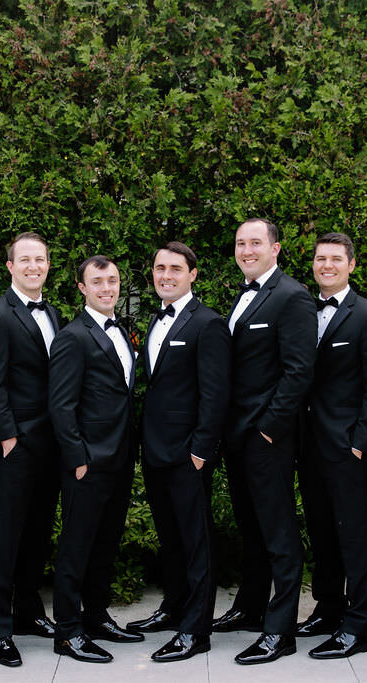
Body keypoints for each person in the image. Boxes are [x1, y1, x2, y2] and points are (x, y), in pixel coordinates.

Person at [216, 218, 316, 665]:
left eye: (256, 242)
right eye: (241, 243)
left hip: (267, 437)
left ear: (276, 248)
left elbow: (298, 372)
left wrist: (268, 429)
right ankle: (250, 608)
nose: (247, 249)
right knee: (252, 529)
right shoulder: (244, 293)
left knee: (278, 533)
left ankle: (281, 630)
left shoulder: (292, 297)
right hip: (237, 437)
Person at [129, 242, 231, 662]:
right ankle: (172, 608)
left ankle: (196, 630)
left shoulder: (207, 324)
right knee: (169, 539)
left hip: (189, 454)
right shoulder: (154, 319)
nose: (165, 275)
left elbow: (216, 392)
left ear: (193, 274)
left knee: (195, 543)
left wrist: (201, 451)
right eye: (159, 268)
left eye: (174, 269)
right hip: (155, 452)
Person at [299, 231, 367, 660]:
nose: (327, 265)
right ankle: (328, 607)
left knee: (354, 536)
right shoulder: (303, 310)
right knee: (321, 531)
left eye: (336, 259)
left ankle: (359, 624)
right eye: (321, 259)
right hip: (310, 444)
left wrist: (360, 442)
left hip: (349, 447)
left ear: (351, 265)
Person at [48, 255, 144, 663]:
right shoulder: (73, 336)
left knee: (105, 544)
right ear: (82, 288)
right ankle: (68, 631)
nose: (107, 288)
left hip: (120, 459)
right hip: (88, 460)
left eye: (113, 281)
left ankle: (98, 616)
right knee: (77, 546)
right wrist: (78, 458)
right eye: (98, 282)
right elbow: (61, 405)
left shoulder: (121, 329)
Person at [0, 232, 63, 667]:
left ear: (48, 265)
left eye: (40, 259)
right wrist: (8, 437)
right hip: (15, 444)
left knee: (37, 533)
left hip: (52, 444)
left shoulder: (55, 312)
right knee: (6, 536)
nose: (33, 266)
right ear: (9, 266)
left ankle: (28, 612)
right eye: (24, 260)